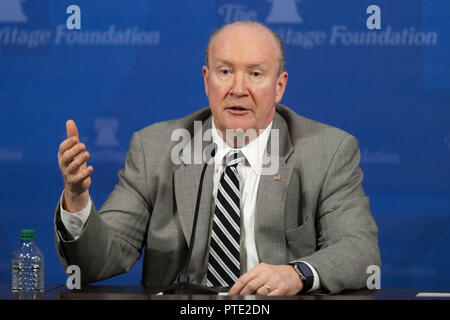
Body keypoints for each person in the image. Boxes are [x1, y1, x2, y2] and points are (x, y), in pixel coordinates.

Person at [55, 21, 381, 295]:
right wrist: (77, 199)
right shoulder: (154, 148)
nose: (238, 88)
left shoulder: (326, 151)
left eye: (255, 74)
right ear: (206, 80)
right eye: (225, 71)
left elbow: (360, 251)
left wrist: (297, 274)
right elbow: (97, 263)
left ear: (279, 86)